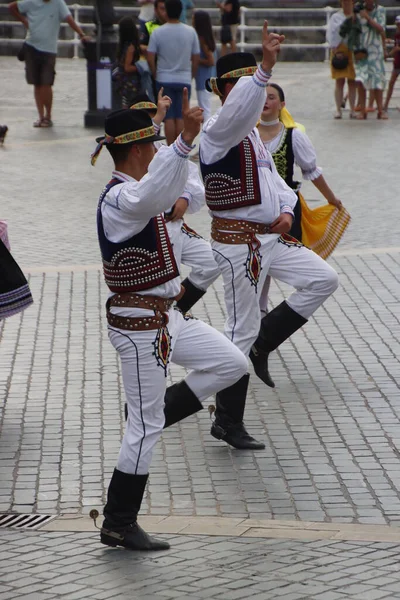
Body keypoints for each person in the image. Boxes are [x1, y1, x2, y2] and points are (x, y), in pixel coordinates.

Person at [92, 96, 248, 551]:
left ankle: (158, 409)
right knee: (143, 428)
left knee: (232, 363)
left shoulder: (140, 192)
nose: (158, 152)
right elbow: (155, 195)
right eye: (154, 147)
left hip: (166, 319)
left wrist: (168, 285)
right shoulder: (123, 197)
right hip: (139, 328)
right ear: (139, 151)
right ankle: (119, 522)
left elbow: (178, 196)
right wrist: (183, 143)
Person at [199, 23, 339, 450]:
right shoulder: (218, 131)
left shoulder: (251, 136)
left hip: (271, 238)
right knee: (238, 330)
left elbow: (276, 180)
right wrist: (262, 70)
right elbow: (242, 105)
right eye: (247, 89)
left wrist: (284, 208)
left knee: (323, 279)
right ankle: (227, 420)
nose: (258, 99)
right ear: (228, 90)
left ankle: (264, 342)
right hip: (239, 242)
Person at [130, 91, 221, 316]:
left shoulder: (166, 152)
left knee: (214, 261)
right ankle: (166, 315)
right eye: (144, 118)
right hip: (149, 232)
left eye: (150, 116)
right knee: (166, 279)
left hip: (176, 226)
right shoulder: (128, 161)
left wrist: (185, 198)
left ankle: (179, 308)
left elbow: (192, 183)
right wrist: (159, 116)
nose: (149, 123)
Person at [259, 83, 350, 248]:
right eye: (262, 97)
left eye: (271, 98)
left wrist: (331, 199)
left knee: (288, 258)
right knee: (259, 261)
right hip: (256, 206)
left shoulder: (293, 135)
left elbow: (312, 171)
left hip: (285, 207)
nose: (266, 101)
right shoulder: (247, 134)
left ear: (282, 105)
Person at [8, 0, 88, 128]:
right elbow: (12, 7)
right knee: (37, 83)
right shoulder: (31, 1)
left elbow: (69, 19)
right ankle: (41, 116)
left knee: (46, 83)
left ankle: (48, 115)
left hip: (49, 50)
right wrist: (24, 21)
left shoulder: (58, 3)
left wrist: (81, 34)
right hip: (31, 46)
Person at [147, 0, 200, 145]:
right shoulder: (191, 32)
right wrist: (192, 75)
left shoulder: (158, 31)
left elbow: (150, 55)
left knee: (168, 116)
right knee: (181, 115)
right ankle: (181, 145)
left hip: (164, 77)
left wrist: (154, 72)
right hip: (184, 78)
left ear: (166, 11)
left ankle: (171, 146)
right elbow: (196, 57)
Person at [341, 0, 387, 119]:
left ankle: (380, 111)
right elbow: (351, 26)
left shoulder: (381, 10)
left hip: (376, 51)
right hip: (361, 51)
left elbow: (380, 29)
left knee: (377, 81)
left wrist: (367, 18)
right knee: (360, 81)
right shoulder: (358, 9)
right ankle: (362, 110)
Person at [326, 0, 357, 119]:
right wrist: (335, 50)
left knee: (352, 82)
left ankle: (352, 110)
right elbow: (330, 34)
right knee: (339, 81)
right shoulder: (335, 17)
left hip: (352, 50)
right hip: (338, 49)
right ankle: (338, 109)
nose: (347, 4)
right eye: (344, 2)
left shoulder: (356, 16)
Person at [193, 10, 217, 122]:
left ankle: (206, 134)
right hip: (206, 78)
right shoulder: (206, 38)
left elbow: (211, 61)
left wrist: (196, 60)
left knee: (205, 110)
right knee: (205, 108)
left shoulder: (202, 40)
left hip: (203, 79)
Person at [113, 16, 142, 109]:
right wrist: (141, 67)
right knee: (131, 104)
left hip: (123, 83)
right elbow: (127, 67)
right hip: (130, 83)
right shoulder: (131, 48)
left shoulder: (123, 46)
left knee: (125, 103)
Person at [383, 15, 400, 112]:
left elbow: (396, 48)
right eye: (397, 24)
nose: (398, 26)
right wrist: (389, 54)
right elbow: (395, 48)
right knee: (391, 83)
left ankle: (385, 105)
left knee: (391, 83)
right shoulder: (397, 35)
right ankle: (385, 105)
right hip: (397, 63)